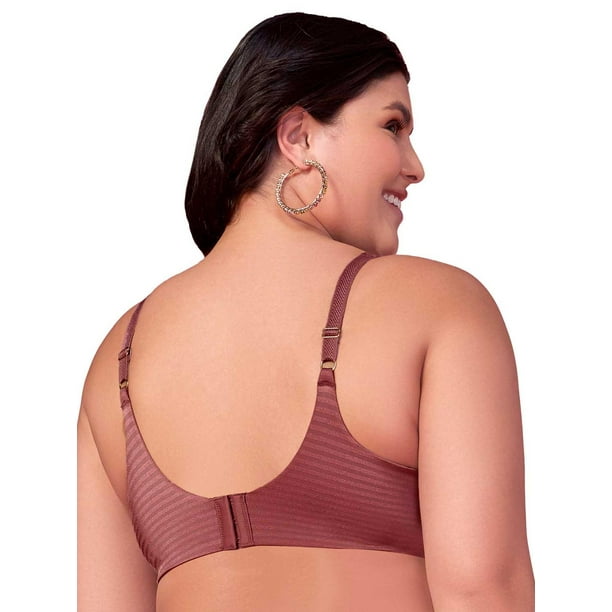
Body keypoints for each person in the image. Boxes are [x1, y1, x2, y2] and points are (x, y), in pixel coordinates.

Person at [77, 12, 534, 611]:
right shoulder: (437, 306)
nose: (415, 165)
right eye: (392, 126)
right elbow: (482, 590)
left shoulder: (117, 360)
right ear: (298, 136)